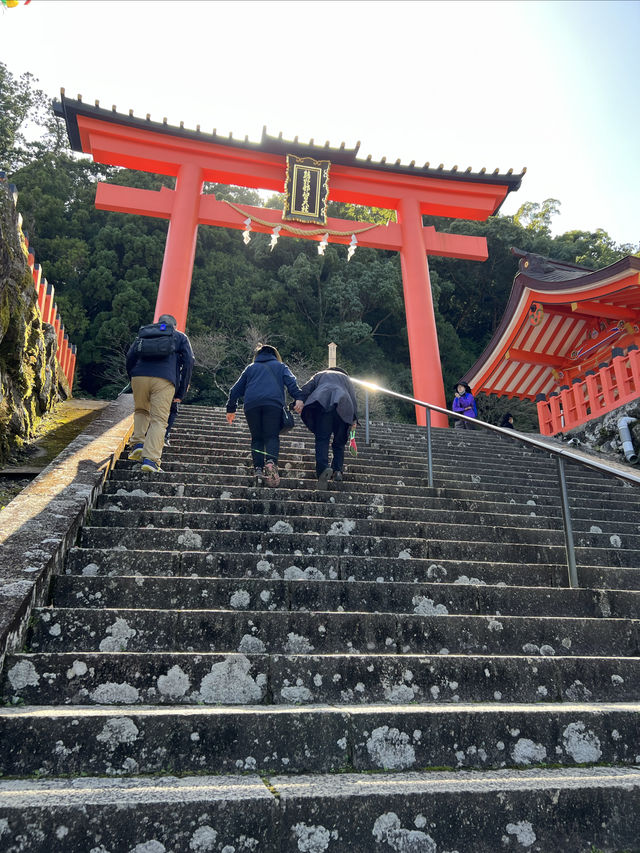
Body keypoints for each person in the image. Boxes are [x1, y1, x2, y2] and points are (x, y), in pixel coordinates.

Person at [226, 344, 303, 487]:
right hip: (273, 404)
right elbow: (292, 383)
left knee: (257, 438)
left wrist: (231, 408)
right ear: (275, 355)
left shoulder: (250, 368)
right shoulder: (281, 367)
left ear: (258, 355)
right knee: (272, 436)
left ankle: (258, 470)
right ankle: (271, 462)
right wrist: (298, 398)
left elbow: (234, 390)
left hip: (251, 405)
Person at [126, 313, 194, 473]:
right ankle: (150, 460)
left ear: (159, 323)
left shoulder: (146, 333)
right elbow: (189, 361)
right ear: (174, 326)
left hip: (139, 376)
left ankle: (138, 444)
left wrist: (133, 376)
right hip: (164, 380)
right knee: (159, 420)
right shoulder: (180, 336)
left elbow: (130, 356)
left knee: (141, 411)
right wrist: (181, 391)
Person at [296, 367, 358, 489]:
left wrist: (299, 400)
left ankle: (323, 470)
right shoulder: (346, 379)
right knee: (339, 442)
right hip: (344, 405)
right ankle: (338, 470)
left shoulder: (320, 374)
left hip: (323, 404)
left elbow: (306, 388)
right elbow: (353, 398)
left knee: (322, 439)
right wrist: (354, 419)